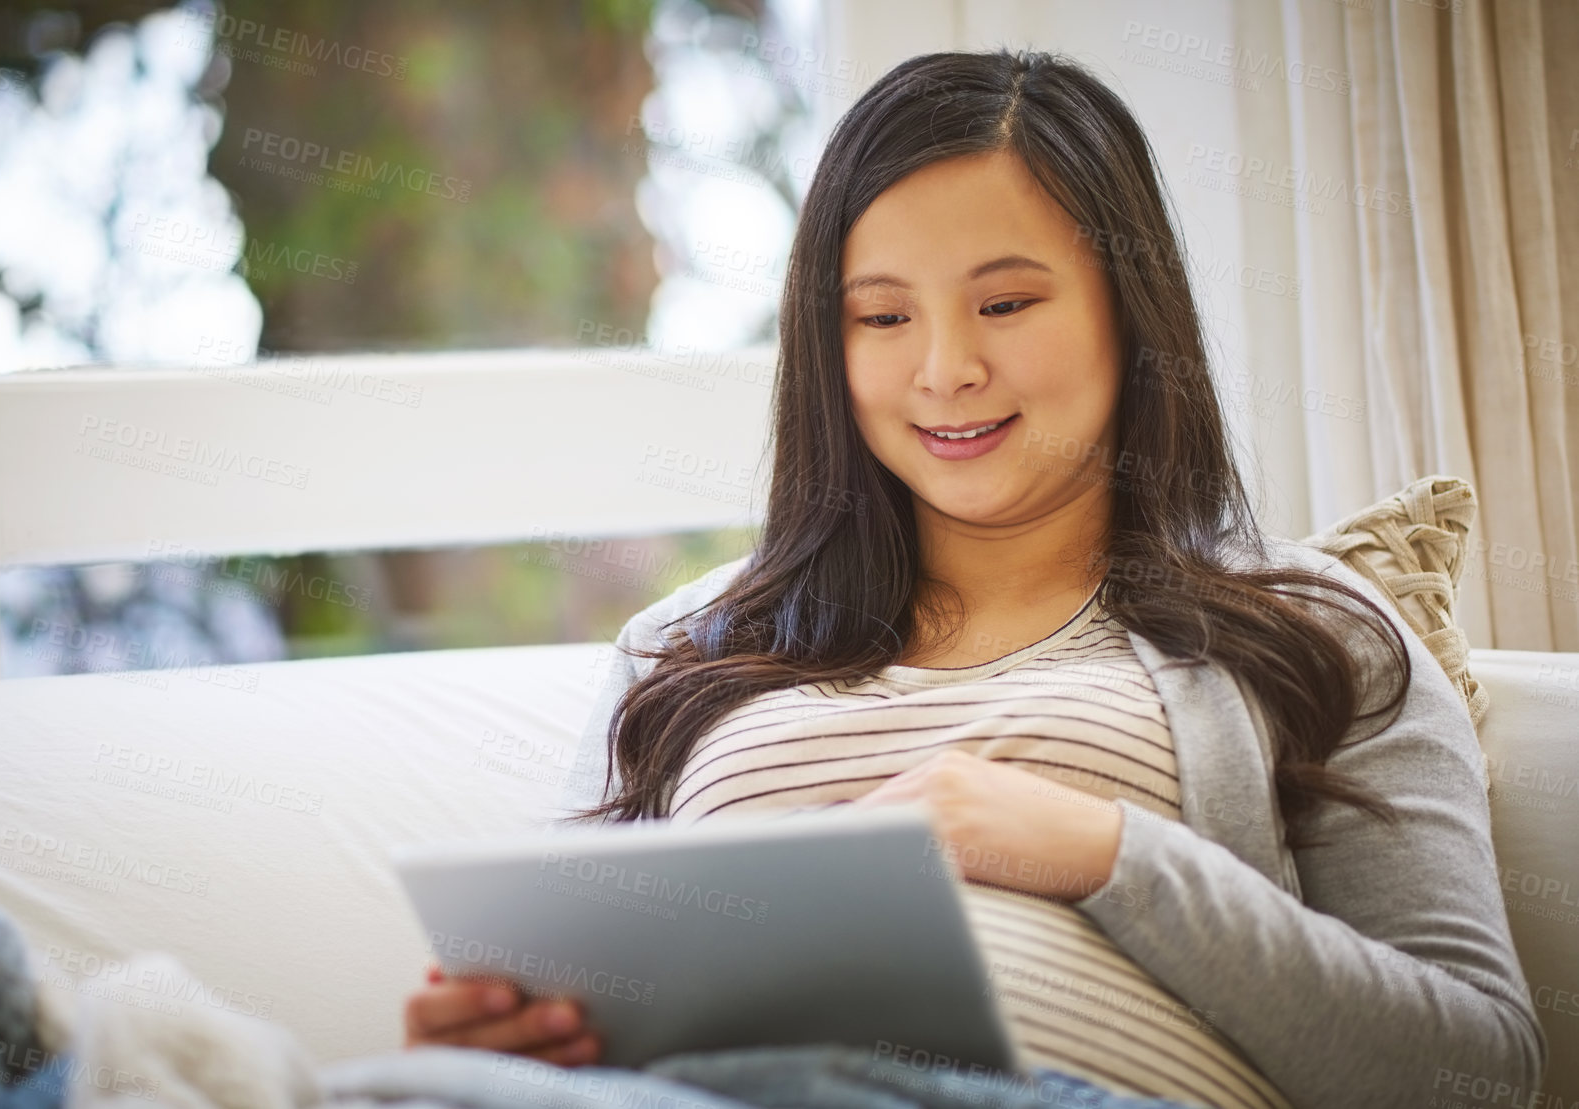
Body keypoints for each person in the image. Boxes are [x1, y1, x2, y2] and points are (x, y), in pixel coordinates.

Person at [399, 48, 1547, 1108]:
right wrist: (503, 1031)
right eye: (881, 316)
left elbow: (1474, 1070)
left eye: (1004, 303)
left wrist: (1089, 846)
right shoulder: (682, 644)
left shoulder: (1310, 629)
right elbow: (559, 973)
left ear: (1128, 311)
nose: (945, 368)